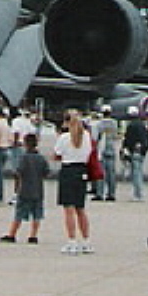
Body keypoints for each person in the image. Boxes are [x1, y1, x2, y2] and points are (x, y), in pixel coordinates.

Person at [53, 109, 94, 255]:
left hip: (68, 170)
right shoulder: (87, 136)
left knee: (68, 209)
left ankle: (72, 241)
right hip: (81, 171)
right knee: (80, 208)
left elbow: (56, 154)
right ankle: (86, 241)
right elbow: (89, 153)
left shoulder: (64, 137)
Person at [0, 133, 49, 244]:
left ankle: (12, 234)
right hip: (38, 190)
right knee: (37, 214)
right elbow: (46, 172)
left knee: (19, 213)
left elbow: (18, 172)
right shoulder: (41, 158)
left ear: (25, 144)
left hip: (24, 189)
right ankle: (33, 235)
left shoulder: (23, 158)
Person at [122, 105, 148, 201]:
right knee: (139, 172)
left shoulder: (131, 125)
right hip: (142, 151)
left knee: (136, 174)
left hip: (135, 151)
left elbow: (128, 139)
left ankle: (138, 194)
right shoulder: (142, 125)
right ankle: (138, 193)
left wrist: (125, 149)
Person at [92, 106, 119, 201]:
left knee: (100, 173)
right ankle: (111, 194)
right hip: (111, 149)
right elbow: (116, 136)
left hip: (101, 149)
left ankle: (99, 193)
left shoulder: (99, 124)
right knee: (111, 173)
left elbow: (95, 138)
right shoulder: (114, 123)